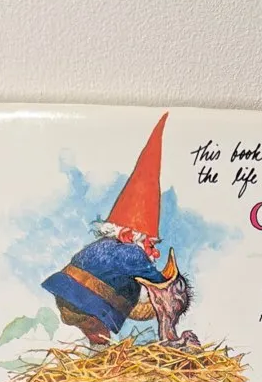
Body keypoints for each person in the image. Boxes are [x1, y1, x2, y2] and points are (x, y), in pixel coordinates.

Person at [42, 113, 173, 346]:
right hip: (84, 302)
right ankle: (99, 349)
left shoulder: (103, 246)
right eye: (150, 243)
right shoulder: (132, 253)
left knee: (95, 332)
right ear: (134, 236)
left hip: (66, 296)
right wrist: (168, 283)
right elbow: (158, 283)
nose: (152, 251)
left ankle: (96, 348)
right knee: (97, 330)